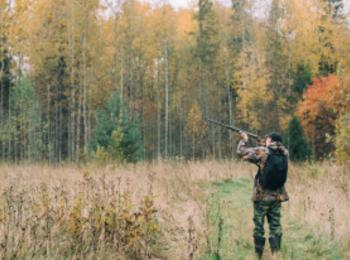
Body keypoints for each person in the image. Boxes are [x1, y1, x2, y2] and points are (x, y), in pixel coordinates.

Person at [237, 131, 289, 258]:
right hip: (277, 196)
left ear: (270, 140)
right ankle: (276, 254)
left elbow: (241, 152)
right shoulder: (284, 153)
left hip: (262, 196)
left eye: (267, 139)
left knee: (259, 226)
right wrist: (263, 144)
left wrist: (244, 139)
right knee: (275, 225)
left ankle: (258, 255)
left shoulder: (263, 151)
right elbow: (268, 152)